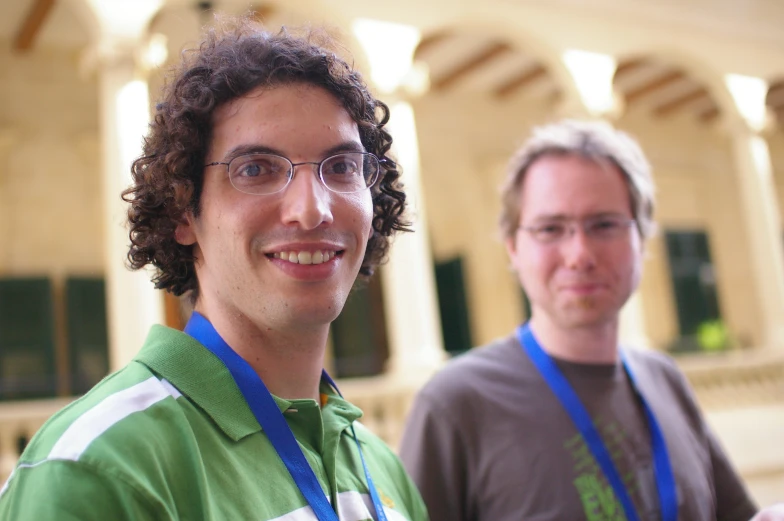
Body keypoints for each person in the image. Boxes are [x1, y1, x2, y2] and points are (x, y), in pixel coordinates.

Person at [0, 16, 427, 521]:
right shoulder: (96, 467)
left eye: (341, 167)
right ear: (184, 211)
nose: (313, 210)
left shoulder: (382, 468)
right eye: (256, 169)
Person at [399, 119, 770, 521]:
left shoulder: (665, 379)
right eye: (550, 228)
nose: (579, 253)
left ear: (641, 238)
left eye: (604, 225)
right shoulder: (455, 404)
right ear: (513, 249)